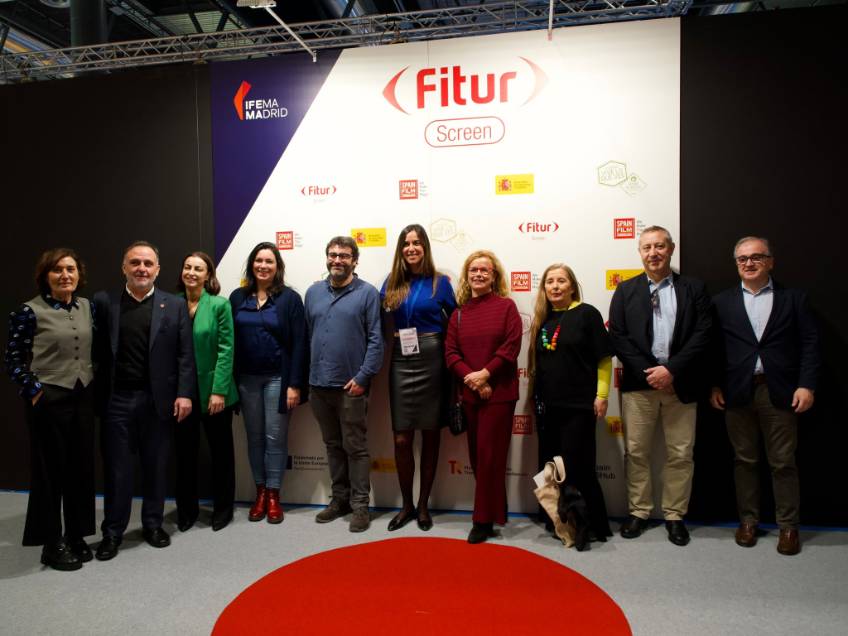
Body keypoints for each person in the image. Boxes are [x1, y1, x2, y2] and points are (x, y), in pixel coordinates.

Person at [710, 237, 819, 555]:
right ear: (736, 264)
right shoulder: (721, 302)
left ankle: (788, 526)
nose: (749, 263)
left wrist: (807, 384)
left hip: (780, 390)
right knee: (744, 461)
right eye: (742, 258)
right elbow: (714, 349)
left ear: (770, 261)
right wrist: (715, 385)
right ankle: (748, 522)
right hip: (736, 392)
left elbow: (810, 344)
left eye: (757, 257)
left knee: (783, 462)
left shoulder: (794, 299)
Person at [608, 226, 711, 547]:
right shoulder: (625, 291)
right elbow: (618, 336)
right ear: (640, 252)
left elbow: (703, 332)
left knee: (681, 453)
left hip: (682, 384)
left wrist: (672, 370)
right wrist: (650, 373)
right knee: (637, 452)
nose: (653, 253)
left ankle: (675, 515)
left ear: (671, 249)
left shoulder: (693, 288)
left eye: (659, 246)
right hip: (640, 386)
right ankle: (638, 511)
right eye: (647, 247)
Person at [93, 241, 195, 561]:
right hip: (117, 401)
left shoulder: (174, 305)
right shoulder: (104, 302)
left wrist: (184, 393)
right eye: (135, 262)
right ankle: (113, 532)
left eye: (148, 263)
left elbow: (185, 354)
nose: (141, 268)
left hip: (157, 401)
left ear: (158, 270)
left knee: (156, 466)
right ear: (124, 267)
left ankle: (153, 524)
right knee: (118, 470)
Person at [4, 248, 96, 571]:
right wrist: (34, 391)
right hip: (49, 398)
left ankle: (76, 534)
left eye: (70, 269)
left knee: (80, 469)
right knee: (49, 472)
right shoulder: (29, 311)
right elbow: (13, 359)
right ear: (45, 276)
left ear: (79, 274)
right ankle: (51, 542)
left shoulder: (87, 307)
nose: (65, 275)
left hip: (82, 396)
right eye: (57, 270)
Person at [528, 263, 613, 548]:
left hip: (579, 406)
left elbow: (604, 359)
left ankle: (591, 525)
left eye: (561, 281)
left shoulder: (587, 314)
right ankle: (561, 521)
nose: (555, 286)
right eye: (549, 281)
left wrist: (602, 395)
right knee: (551, 468)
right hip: (548, 408)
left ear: (572, 286)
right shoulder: (543, 319)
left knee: (579, 467)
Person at [304, 236, 383, 533]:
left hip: (351, 388)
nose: (337, 260)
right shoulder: (313, 293)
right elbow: (308, 335)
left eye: (344, 255)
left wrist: (363, 378)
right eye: (333, 254)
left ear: (355, 260)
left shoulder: (367, 293)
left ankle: (360, 505)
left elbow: (376, 340)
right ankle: (340, 500)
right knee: (332, 446)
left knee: (356, 448)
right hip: (318, 386)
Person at [381, 224, 456, 532]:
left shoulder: (441, 283)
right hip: (401, 358)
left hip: (433, 357)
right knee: (401, 438)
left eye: (417, 243)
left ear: (425, 247)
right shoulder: (391, 282)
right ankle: (406, 505)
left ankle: (423, 505)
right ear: (401, 249)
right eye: (406, 243)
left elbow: (457, 322)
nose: (411, 248)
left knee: (430, 434)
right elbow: (375, 320)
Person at [445, 250, 522, 544]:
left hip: (500, 394)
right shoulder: (459, 314)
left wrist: (486, 374)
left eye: (484, 270)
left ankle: (481, 520)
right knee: (479, 458)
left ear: (494, 276)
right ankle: (495, 510)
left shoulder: (506, 307)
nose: (478, 274)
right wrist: (475, 381)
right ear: (467, 276)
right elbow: (451, 353)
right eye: (473, 270)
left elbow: (511, 346)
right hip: (472, 394)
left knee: (490, 457)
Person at [229, 242, 308, 525]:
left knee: (275, 438)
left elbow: (300, 344)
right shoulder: (237, 297)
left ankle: (274, 494)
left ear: (277, 267)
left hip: (278, 379)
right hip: (246, 380)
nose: (263, 266)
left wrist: (294, 384)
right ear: (252, 264)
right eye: (259, 261)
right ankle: (260, 492)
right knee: (254, 438)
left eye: (269, 261)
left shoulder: (290, 299)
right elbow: (229, 341)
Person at [174, 252, 240, 532]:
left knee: (221, 454)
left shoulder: (219, 305)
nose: (191, 272)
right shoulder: (171, 304)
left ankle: (223, 509)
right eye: (187, 267)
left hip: (215, 394)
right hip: (182, 394)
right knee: (184, 455)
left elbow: (226, 349)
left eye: (198, 269)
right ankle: (186, 511)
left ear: (208, 275)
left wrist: (219, 391)